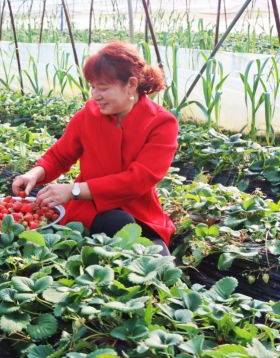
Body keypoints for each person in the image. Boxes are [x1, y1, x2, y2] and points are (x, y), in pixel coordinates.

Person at [12, 41, 178, 256]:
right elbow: (60, 156)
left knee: (153, 255)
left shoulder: (161, 123)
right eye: (92, 86)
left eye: (103, 87)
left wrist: (73, 191)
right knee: (113, 226)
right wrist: (33, 174)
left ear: (131, 84)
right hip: (90, 209)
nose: (95, 95)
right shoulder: (88, 115)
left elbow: (138, 180)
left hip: (139, 209)